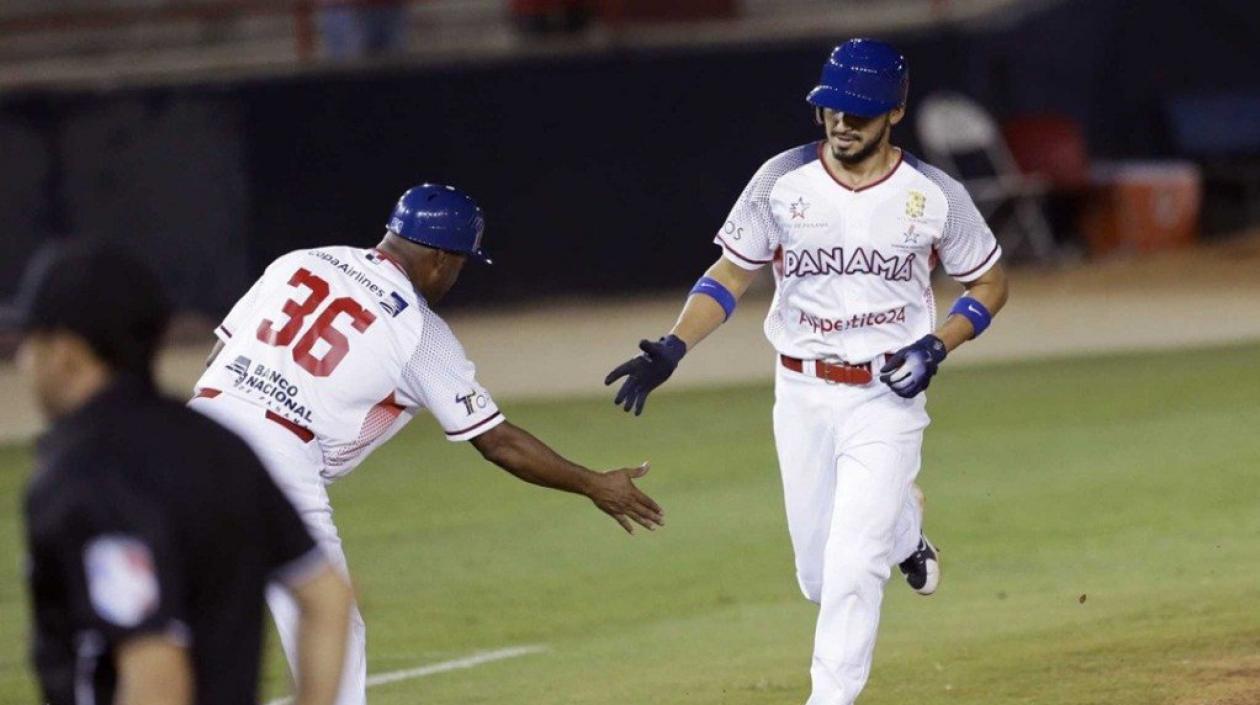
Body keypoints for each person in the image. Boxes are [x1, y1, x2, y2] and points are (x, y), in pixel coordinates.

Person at [605, 38, 1010, 704]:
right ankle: (904, 527)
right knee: (819, 578)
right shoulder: (781, 180)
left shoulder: (935, 195)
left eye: (860, 111)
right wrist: (674, 346)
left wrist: (937, 346)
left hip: (887, 394)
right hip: (801, 391)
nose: (842, 122)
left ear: (895, 112)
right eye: (832, 108)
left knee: (853, 569)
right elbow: (731, 272)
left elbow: (990, 282)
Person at [190, 183, 664, 705]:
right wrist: (595, 484)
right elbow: (497, 441)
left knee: (172, 609)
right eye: (461, 263)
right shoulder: (419, 331)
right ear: (440, 259)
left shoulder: (300, 261)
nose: (457, 276)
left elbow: (219, 356)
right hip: (276, 461)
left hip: (193, 431)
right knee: (328, 621)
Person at [14, 240, 353, 705]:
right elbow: (326, 597)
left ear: (66, 352)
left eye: (30, 343)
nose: (23, 361)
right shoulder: (222, 447)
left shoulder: (83, 473)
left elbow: (155, 667)